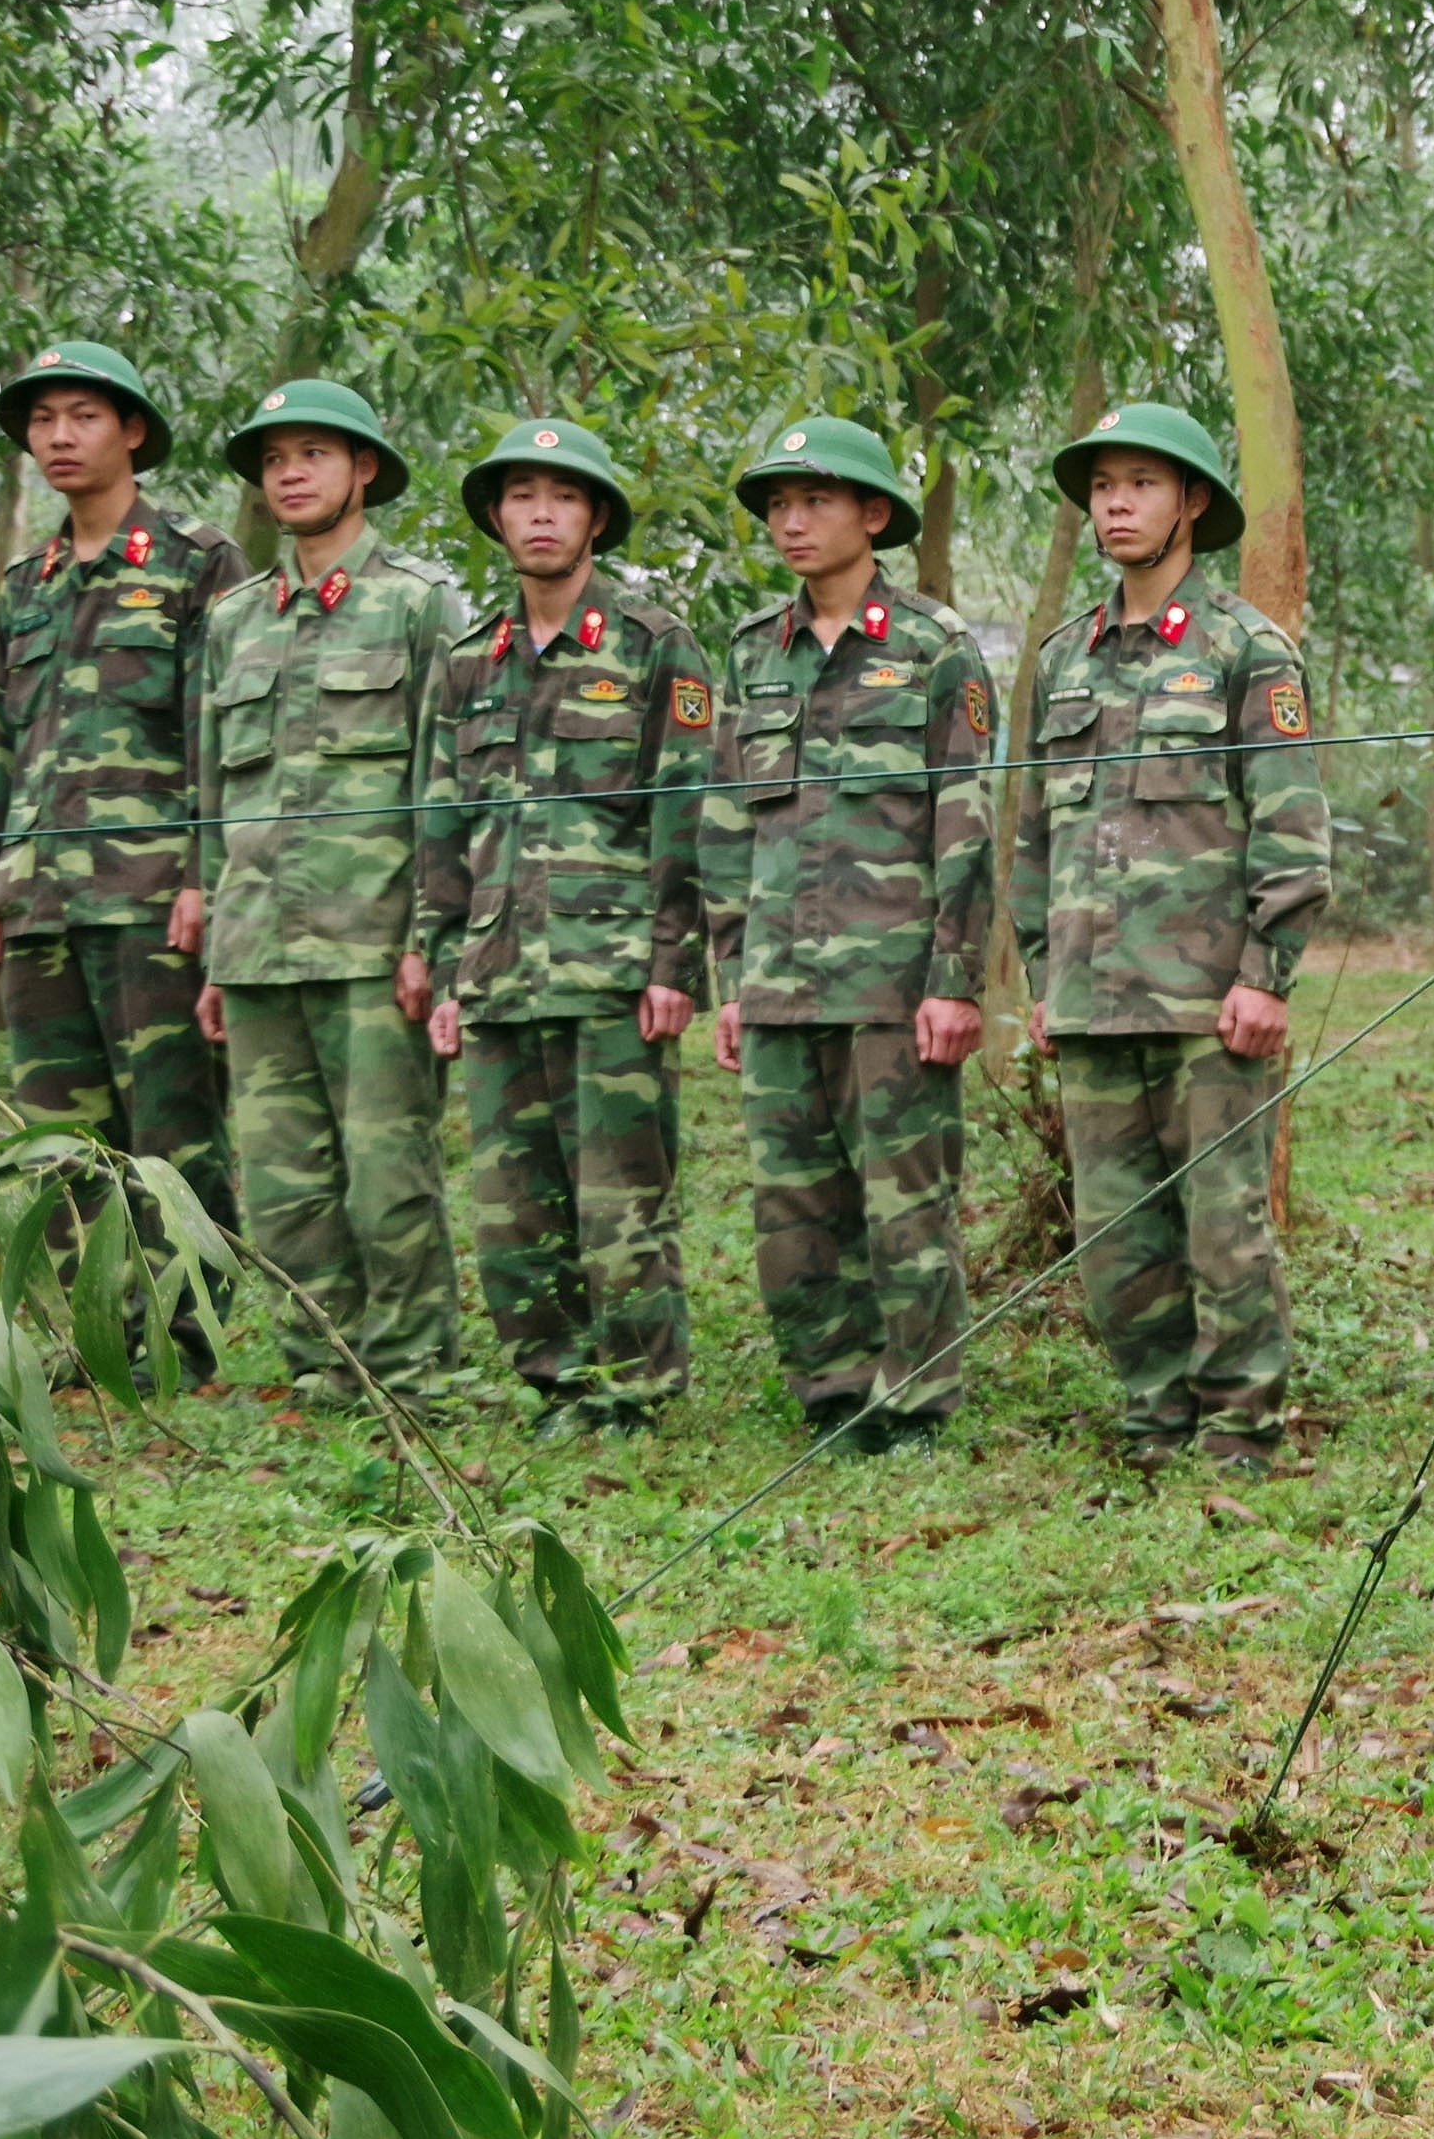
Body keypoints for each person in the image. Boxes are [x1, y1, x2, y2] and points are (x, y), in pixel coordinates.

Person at [1010, 403, 1330, 1469]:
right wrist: (1043, 977)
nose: (1115, 504)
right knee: (1113, 1231)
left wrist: (1266, 973)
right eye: (1102, 486)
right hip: (1094, 994)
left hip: (1206, 996)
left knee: (1222, 1221)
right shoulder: (1064, 659)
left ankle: (1242, 1426)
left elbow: (1290, 822)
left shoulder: (1247, 649)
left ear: (1192, 501)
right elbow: (1031, 838)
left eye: (1141, 483)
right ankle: (1156, 1414)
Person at [700, 417, 994, 1452]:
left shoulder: (934, 649)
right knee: (792, 1206)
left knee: (907, 1205)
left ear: (874, 516)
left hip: (891, 979)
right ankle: (830, 1390)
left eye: (816, 501)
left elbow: (966, 819)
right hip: (780, 978)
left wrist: (956, 980)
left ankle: (913, 1401)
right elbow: (727, 822)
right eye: (779, 504)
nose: (792, 521)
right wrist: (730, 977)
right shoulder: (750, 656)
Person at [179, 379, 467, 1405]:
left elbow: (449, 779)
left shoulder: (421, 603)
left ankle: (412, 1369)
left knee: (389, 1180)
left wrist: (433, 937)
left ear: (365, 471)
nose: (290, 473)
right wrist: (217, 953)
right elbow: (218, 798)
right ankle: (325, 1368)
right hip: (259, 950)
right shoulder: (232, 622)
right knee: (283, 1186)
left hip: (373, 941)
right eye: (274, 459)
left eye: (313, 453)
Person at [422, 419, 707, 1431]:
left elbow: (687, 810)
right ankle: (557, 1380)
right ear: (497, 518)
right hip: (497, 973)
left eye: (563, 497)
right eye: (521, 497)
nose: (540, 515)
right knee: (511, 1205)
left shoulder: (653, 646)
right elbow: (442, 828)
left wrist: (675, 963)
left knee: (621, 1195)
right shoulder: (467, 663)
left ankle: (635, 1386)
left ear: (594, 518)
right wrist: (439, 966)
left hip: (613, 971)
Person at [0, 340, 243, 1360]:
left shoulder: (194, 561)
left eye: (83, 416)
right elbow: (6, 739)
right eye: (43, 422)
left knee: (172, 1133)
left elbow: (225, 732)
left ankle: (182, 1333)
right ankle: (94, 1330)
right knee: (63, 1142)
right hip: (39, 901)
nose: (60, 438)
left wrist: (208, 877)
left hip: (150, 892)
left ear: (130, 431)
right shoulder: (26, 581)